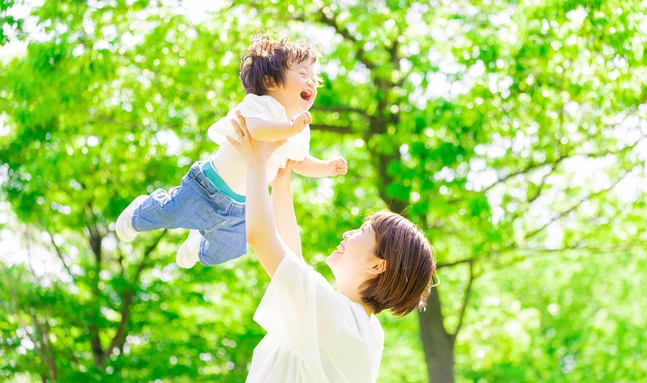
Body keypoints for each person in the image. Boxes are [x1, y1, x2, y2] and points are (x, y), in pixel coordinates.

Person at [226, 111, 437, 382]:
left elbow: (260, 237)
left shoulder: (340, 321)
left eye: (363, 231)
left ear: (376, 265)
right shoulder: (362, 328)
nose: (348, 233)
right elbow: (294, 265)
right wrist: (281, 184)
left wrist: (256, 162)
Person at [115, 34, 347, 268]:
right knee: (168, 213)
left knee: (228, 250)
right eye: (303, 74)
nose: (311, 83)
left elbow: (297, 161)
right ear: (271, 81)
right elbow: (256, 131)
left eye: (314, 79)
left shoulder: (299, 127)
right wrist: (288, 128)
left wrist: (325, 168)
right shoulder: (260, 105)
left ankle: (198, 243)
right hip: (207, 187)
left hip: (242, 206)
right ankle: (138, 213)